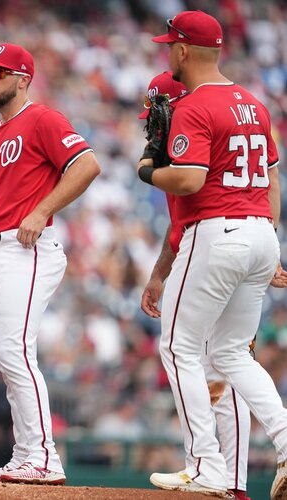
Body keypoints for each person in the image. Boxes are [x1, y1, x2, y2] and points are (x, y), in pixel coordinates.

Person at [137, 11, 287, 499]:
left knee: (177, 347)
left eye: (170, 45)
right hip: (260, 230)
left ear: (183, 50)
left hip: (217, 232)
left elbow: (188, 180)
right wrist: (267, 239)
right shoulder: (254, 103)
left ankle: (206, 464)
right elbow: (272, 178)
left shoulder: (195, 104)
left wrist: (146, 169)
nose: (168, 52)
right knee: (230, 353)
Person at [0, 43, 100, 485]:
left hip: (27, 248)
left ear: (23, 79)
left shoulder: (42, 119)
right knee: (8, 359)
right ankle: (26, 454)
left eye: (0, 72)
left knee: (14, 351)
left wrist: (43, 210)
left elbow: (87, 165)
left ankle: (44, 456)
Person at [139, 70, 255, 500]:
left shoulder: (191, 149)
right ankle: (233, 481)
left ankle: (214, 471)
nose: (152, 128)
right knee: (226, 364)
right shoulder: (211, 137)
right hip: (240, 247)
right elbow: (180, 226)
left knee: (205, 360)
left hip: (216, 251)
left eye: (157, 116)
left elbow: (190, 223)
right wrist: (158, 275)